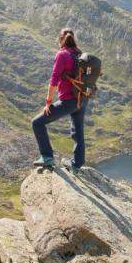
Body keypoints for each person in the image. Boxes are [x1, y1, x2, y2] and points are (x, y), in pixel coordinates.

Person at [32, 28, 85, 171]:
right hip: (82, 99)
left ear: (60, 40)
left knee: (37, 123)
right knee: (78, 131)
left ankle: (47, 156)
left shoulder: (62, 54)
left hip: (68, 100)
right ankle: (76, 165)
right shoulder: (79, 54)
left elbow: (53, 81)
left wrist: (48, 103)